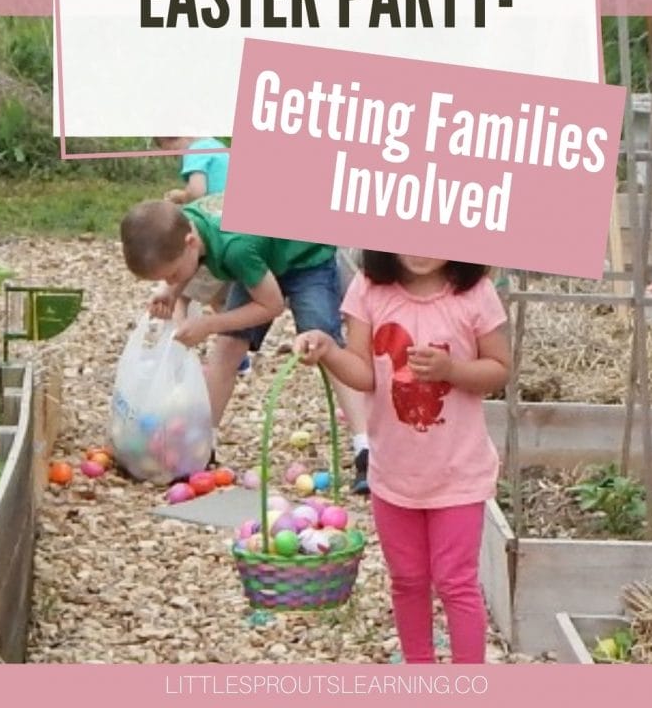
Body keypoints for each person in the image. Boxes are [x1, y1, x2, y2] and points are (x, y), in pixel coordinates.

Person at [293, 251, 510, 664]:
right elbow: (364, 373)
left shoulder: (475, 294)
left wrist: (452, 370)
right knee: (407, 580)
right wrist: (328, 349)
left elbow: (499, 369)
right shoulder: (370, 290)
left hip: (458, 473)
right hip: (393, 473)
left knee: (456, 582)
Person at [120, 198, 370, 492]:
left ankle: (366, 450)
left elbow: (271, 305)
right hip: (259, 261)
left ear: (190, 241)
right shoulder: (185, 223)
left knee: (326, 348)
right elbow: (192, 266)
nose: (171, 280)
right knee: (226, 351)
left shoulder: (234, 247)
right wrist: (169, 289)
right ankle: (201, 447)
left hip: (307, 260)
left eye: (171, 274)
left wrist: (209, 324)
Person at [153, 136, 253, 377]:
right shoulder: (217, 145)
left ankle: (175, 353)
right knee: (219, 298)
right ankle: (237, 356)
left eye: (168, 148)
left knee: (180, 297)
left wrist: (181, 196)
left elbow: (198, 191)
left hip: (212, 234)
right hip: (240, 234)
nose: (173, 155)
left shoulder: (196, 150)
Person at [153, 136, 229, 203]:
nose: (177, 157)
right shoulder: (217, 145)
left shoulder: (194, 151)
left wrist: (180, 196)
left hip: (216, 212)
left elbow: (196, 192)